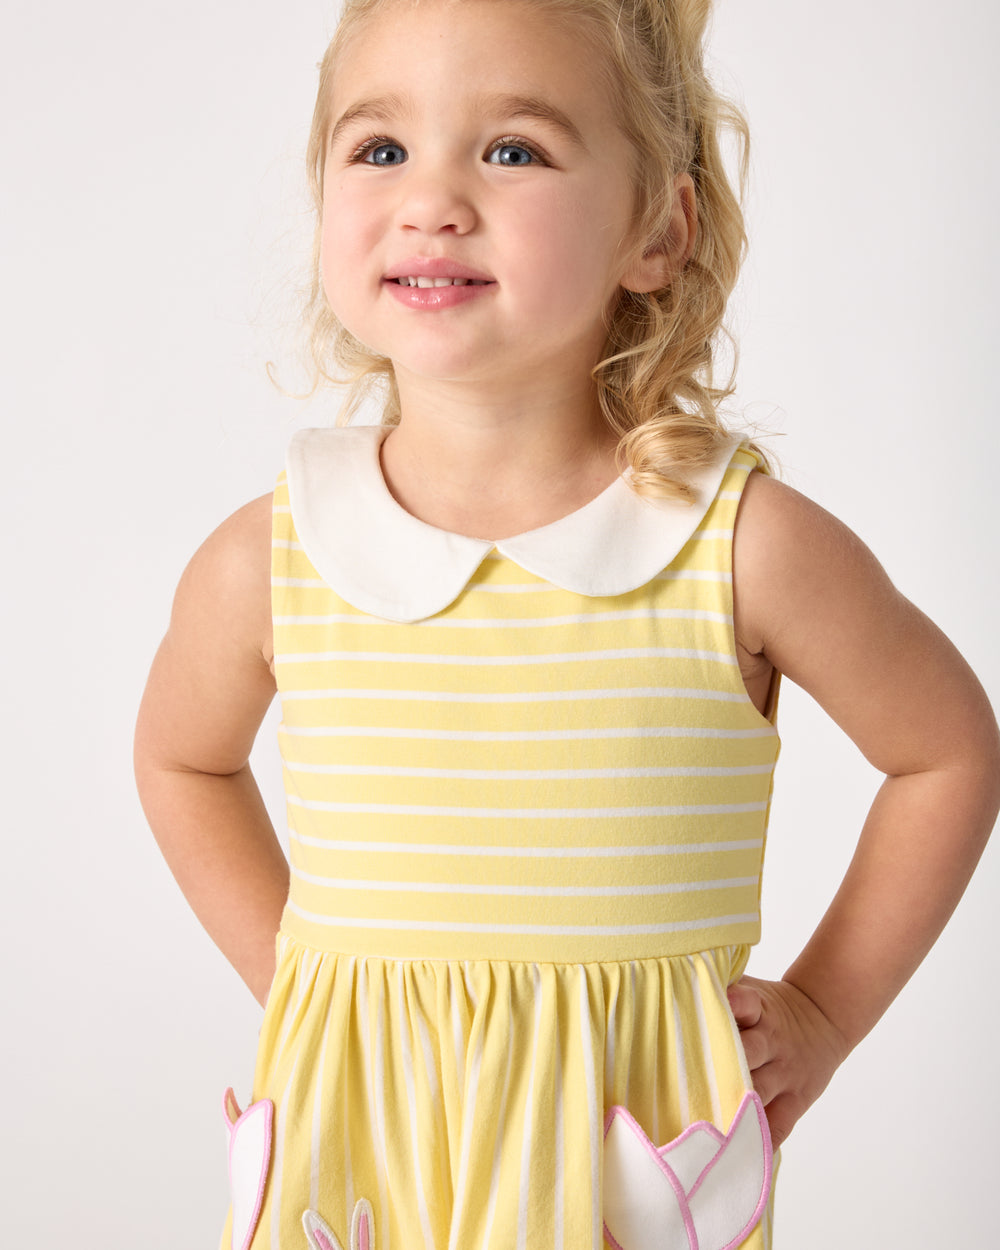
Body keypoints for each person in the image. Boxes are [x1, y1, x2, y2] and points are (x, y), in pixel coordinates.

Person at [133, 1, 1000, 1247]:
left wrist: (821, 1011)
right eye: (379, 149)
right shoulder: (271, 557)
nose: (432, 198)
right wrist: (300, 977)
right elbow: (179, 756)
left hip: (625, 1161)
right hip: (360, 1147)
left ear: (658, 228)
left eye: (513, 150)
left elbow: (946, 749)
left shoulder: (739, 545)